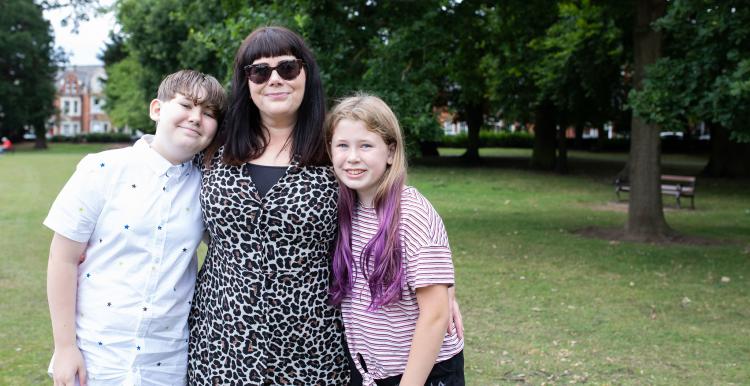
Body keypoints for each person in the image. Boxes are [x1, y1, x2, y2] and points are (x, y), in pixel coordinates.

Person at [187, 26, 350, 384]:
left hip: (312, 347)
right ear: (246, 82)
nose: (274, 79)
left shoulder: (336, 148)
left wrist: (433, 290)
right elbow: (157, 186)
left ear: (306, 73)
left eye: (287, 68)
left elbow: (384, 217)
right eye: (259, 71)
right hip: (221, 343)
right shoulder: (215, 148)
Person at [45, 70, 226, 386]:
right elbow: (62, 258)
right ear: (157, 109)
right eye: (186, 105)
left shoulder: (210, 188)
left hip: (167, 362)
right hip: (96, 356)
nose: (196, 118)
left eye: (208, 113)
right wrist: (65, 347)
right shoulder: (102, 168)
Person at [326, 94, 465, 386]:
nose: (352, 157)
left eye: (366, 145)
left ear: (390, 152)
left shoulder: (411, 213)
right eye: (342, 146)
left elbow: (435, 315)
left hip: (422, 372)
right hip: (372, 371)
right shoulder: (344, 208)